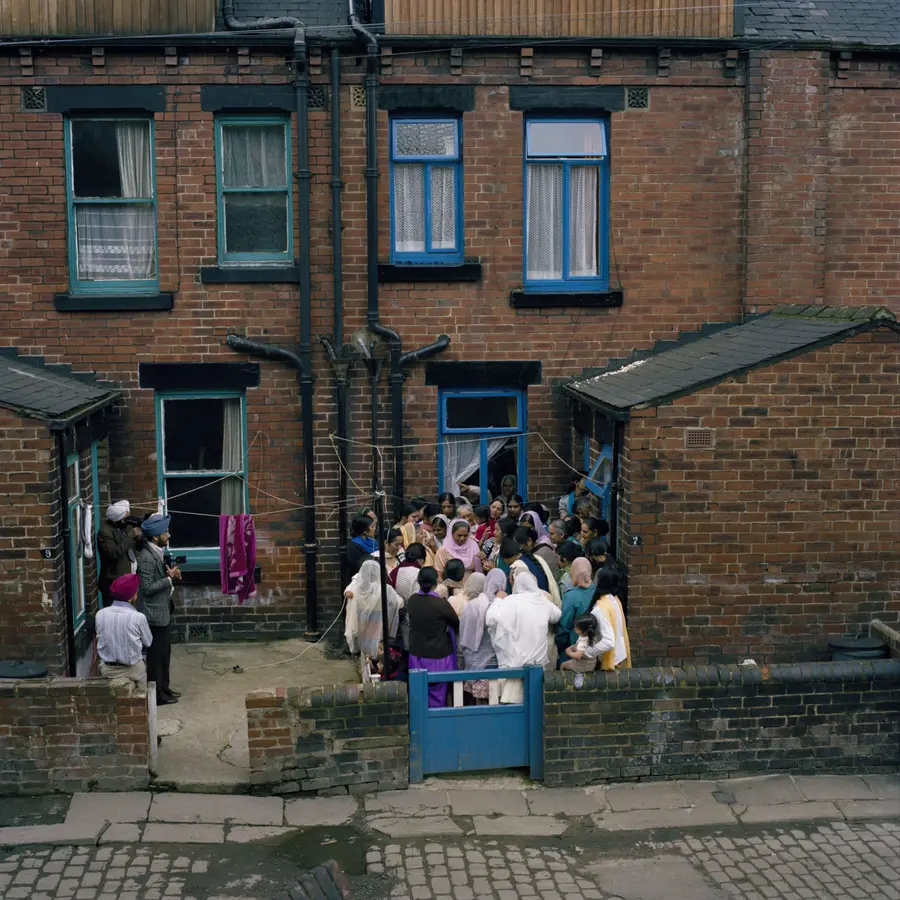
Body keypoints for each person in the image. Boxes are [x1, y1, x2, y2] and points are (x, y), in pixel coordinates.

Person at [486, 571, 561, 703]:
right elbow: (556, 615)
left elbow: (490, 620)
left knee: (513, 705)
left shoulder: (510, 601)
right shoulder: (542, 601)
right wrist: (541, 595)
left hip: (514, 665)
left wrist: (497, 600)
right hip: (537, 664)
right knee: (535, 705)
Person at [137, 514, 181, 706]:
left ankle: (164, 687)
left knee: (165, 653)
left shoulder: (156, 551)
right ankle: (158, 696)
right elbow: (146, 588)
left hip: (162, 611)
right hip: (153, 615)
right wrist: (169, 579)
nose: (168, 535)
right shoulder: (147, 557)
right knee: (156, 657)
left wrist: (170, 575)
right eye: (165, 532)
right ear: (155, 536)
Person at [407, 567, 460, 708]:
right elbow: (456, 623)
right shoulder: (441, 603)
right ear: (436, 582)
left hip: (416, 654)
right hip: (438, 655)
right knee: (438, 693)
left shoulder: (412, 601)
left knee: (419, 693)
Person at [95, 573, 152, 687]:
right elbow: (148, 642)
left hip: (107, 670)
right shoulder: (138, 617)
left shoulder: (100, 614)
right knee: (140, 700)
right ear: (133, 596)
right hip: (133, 670)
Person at [343, 559, 402, 670]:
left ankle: (368, 665)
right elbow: (397, 603)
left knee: (366, 652)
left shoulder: (357, 590)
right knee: (378, 649)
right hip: (379, 627)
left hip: (364, 627)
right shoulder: (386, 589)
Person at [459, 568, 505, 704]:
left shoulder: (472, 605)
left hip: (474, 662)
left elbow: (464, 635)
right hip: (497, 663)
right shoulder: (503, 606)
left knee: (479, 706)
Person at [587, 569, 631, 670]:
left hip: (610, 663)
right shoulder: (615, 600)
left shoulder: (599, 609)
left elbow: (608, 642)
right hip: (620, 658)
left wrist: (587, 652)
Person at [97, 500, 140, 603]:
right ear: (117, 519)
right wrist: (129, 537)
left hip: (128, 582)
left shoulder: (122, 528)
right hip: (114, 584)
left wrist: (137, 538)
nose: (127, 522)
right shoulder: (105, 532)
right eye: (125, 519)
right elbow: (113, 553)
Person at [557, 557, 595, 659]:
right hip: (596, 647)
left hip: (574, 648)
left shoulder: (571, 597)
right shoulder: (598, 591)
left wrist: (559, 647)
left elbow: (564, 627)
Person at [520, 510, 560, 581]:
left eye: (530, 528)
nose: (526, 531)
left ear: (536, 526)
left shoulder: (544, 543)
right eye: (523, 528)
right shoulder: (524, 541)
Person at [347, 515, 377, 579]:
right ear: (365, 531)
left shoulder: (373, 542)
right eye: (372, 526)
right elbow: (357, 568)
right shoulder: (354, 546)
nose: (375, 529)